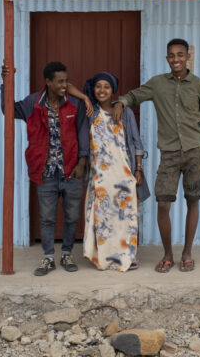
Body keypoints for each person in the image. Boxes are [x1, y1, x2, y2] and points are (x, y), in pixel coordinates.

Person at [111, 39, 200, 273]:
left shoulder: (199, 85)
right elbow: (135, 95)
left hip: (194, 153)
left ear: (187, 56)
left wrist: (193, 134)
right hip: (169, 154)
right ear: (167, 58)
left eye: (180, 55)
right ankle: (168, 254)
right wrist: (120, 102)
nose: (176, 59)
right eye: (171, 55)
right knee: (163, 204)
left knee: (193, 199)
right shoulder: (158, 84)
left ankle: (187, 253)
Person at [0, 61, 89, 276]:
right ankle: (49, 258)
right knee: (47, 218)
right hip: (46, 171)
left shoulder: (74, 104)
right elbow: (8, 110)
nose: (64, 85)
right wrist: (6, 82)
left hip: (71, 171)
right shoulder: (33, 103)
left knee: (71, 217)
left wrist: (82, 162)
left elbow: (83, 132)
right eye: (60, 81)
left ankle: (66, 254)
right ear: (48, 82)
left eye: (66, 81)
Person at [75, 72, 148, 272]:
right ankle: (104, 257)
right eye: (98, 86)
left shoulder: (126, 113)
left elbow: (136, 142)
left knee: (126, 217)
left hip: (123, 175)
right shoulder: (90, 112)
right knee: (103, 218)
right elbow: (71, 89)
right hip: (100, 177)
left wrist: (138, 169)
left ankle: (126, 256)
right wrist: (84, 97)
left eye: (106, 87)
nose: (102, 90)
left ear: (113, 90)